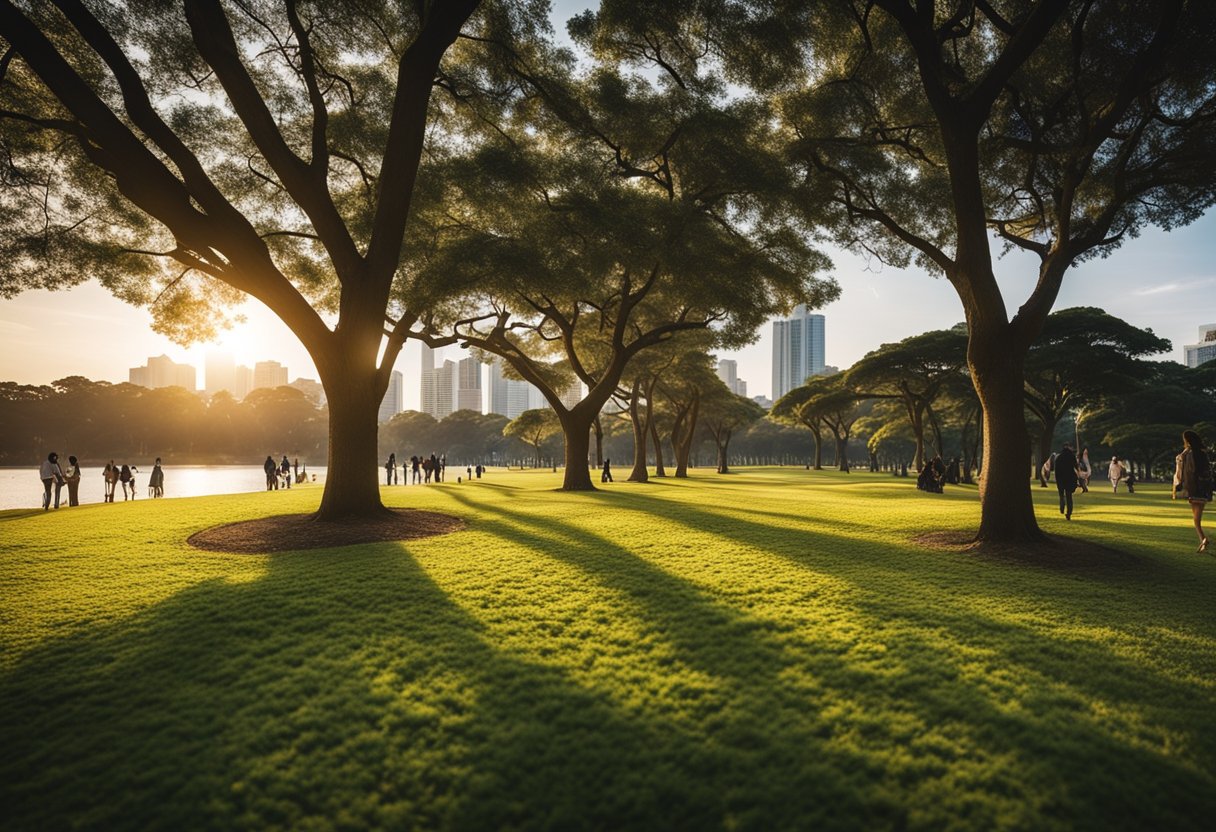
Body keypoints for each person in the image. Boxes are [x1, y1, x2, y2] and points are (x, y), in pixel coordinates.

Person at [1174, 430, 1212, 552]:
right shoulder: (1202, 453)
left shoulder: (1188, 454)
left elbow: (1185, 470)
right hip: (1203, 488)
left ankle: (1204, 540)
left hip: (1193, 489)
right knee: (1197, 517)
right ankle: (1203, 540)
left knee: (1196, 519)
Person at [1054, 443, 1079, 520]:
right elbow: (1076, 467)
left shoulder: (1058, 457)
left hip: (1060, 479)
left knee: (1061, 495)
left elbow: (1056, 470)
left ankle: (1062, 506)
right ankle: (1069, 513)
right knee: (1069, 497)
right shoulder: (1071, 456)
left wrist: (1057, 479)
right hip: (1069, 479)